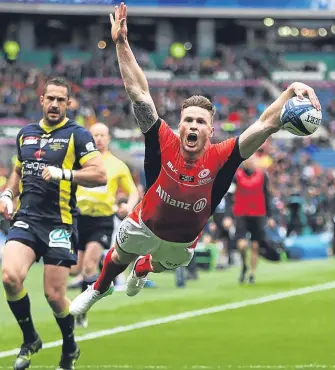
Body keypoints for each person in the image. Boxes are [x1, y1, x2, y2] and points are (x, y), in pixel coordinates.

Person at [69, 2, 320, 316]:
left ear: (210, 129)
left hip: (183, 240)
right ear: (180, 124)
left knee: (159, 264)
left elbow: (266, 124)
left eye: (201, 122)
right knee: (117, 258)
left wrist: (288, 92)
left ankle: (144, 269)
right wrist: (121, 42)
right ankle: (94, 292)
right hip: (144, 223)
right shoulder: (163, 139)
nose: (193, 125)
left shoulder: (223, 155)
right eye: (188, 119)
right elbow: (138, 91)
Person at [0, 77, 107, 370]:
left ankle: (70, 347)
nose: (56, 104)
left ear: (68, 104)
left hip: (60, 223)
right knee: (9, 277)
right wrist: (8, 194)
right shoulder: (26, 133)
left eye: (62, 100)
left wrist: (65, 174)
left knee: (54, 294)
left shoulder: (78, 135)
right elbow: (18, 172)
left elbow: (100, 175)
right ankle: (30, 337)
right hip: (27, 220)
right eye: (51, 99)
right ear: (42, 100)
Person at [70, 122, 139, 328]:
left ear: (108, 138)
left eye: (102, 135)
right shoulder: (79, 162)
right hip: (78, 218)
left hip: (102, 220)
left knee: (90, 265)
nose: (99, 139)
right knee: (75, 269)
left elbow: (133, 191)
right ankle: (101, 280)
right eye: (95, 135)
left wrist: (128, 205)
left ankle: (82, 310)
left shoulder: (118, 165)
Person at [226, 155, 276, 284]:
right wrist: (228, 216)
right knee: (242, 245)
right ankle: (244, 265)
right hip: (241, 213)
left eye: (254, 160)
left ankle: (252, 274)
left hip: (258, 213)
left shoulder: (262, 175)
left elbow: (267, 195)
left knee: (255, 245)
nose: (252, 162)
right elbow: (229, 196)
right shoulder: (236, 176)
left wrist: (270, 216)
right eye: (250, 160)